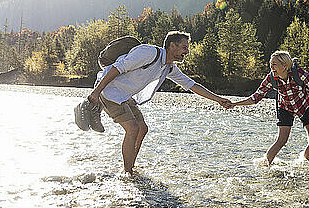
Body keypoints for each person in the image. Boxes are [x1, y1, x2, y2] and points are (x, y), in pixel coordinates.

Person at [88, 31, 231, 175]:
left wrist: (219, 99)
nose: (186, 52)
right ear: (172, 45)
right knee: (132, 129)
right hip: (110, 91)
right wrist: (96, 91)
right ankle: (127, 172)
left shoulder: (168, 67)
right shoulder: (149, 53)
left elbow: (192, 85)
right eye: (184, 47)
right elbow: (118, 67)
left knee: (142, 128)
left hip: (124, 95)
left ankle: (130, 167)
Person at [230, 51, 309, 165]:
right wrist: (235, 104)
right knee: (282, 140)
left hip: (305, 105)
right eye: (271, 64)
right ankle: (265, 164)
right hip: (285, 107)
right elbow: (255, 98)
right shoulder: (271, 78)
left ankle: (305, 165)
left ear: (284, 66)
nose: (271, 67)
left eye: (274, 64)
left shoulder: (299, 74)